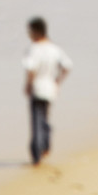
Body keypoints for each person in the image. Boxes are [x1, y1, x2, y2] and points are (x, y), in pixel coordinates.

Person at [22, 17, 72, 164]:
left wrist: (28, 84)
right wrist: (57, 81)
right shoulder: (55, 48)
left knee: (36, 119)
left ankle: (37, 153)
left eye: (30, 31)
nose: (29, 34)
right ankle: (46, 144)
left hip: (38, 86)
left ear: (36, 32)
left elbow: (31, 69)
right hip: (50, 87)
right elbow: (67, 66)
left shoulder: (33, 49)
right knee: (44, 116)